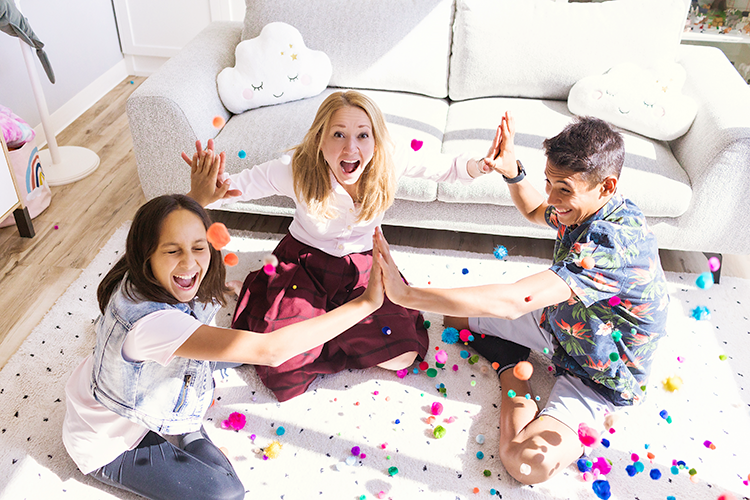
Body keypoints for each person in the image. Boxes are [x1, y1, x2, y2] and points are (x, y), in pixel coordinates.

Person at [372, 114, 669, 485]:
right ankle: (513, 357)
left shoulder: (614, 244)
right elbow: (533, 210)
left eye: (562, 189)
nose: (551, 198)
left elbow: (518, 300)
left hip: (600, 374)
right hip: (563, 324)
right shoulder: (585, 206)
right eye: (548, 182)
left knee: (524, 464)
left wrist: (409, 295)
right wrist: (513, 171)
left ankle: (512, 371)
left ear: (606, 186)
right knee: (456, 320)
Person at [62, 194, 385, 500]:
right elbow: (269, 351)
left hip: (114, 386)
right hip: (109, 442)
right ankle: (191, 433)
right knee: (226, 492)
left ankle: (189, 429)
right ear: (146, 254)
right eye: (173, 251)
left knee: (237, 347)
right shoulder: (154, 324)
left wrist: (198, 195)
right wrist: (366, 303)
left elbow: (165, 230)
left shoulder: (134, 273)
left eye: (198, 247)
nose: (190, 263)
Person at [185, 90, 495, 402]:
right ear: (320, 139)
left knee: (403, 356)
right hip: (303, 265)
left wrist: (483, 165)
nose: (351, 147)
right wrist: (205, 187)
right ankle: (270, 298)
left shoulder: (390, 157)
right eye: (338, 134)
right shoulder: (295, 168)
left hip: (364, 267)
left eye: (363, 135)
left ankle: (314, 330)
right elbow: (238, 187)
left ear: (375, 140)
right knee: (282, 372)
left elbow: (448, 168)